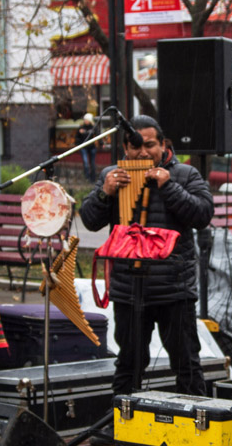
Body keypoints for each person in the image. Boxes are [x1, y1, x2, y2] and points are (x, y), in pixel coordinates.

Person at [80, 115, 213, 397]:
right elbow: (89, 221)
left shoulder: (185, 175)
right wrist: (105, 194)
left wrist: (169, 187)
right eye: (134, 146)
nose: (142, 152)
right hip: (129, 288)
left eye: (149, 145)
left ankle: (196, 430)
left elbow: (202, 215)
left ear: (163, 144)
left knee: (186, 364)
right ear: (125, 149)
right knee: (128, 364)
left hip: (174, 289)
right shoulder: (110, 176)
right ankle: (123, 428)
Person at [75, 113, 100, 181]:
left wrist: (101, 143)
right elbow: (77, 137)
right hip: (84, 147)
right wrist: (78, 144)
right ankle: (87, 178)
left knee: (92, 163)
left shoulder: (93, 127)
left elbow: (98, 135)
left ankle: (93, 178)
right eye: (85, 120)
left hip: (92, 147)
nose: (86, 121)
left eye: (87, 120)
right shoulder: (81, 127)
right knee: (86, 163)